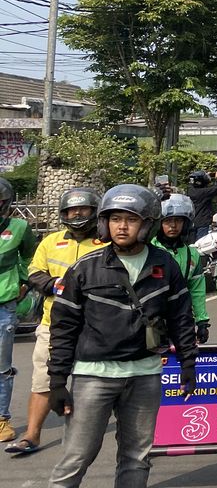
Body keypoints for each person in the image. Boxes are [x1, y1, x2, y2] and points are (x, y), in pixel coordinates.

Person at [46, 184, 198, 488]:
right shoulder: (86, 268)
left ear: (147, 224)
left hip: (144, 375)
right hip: (93, 376)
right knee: (77, 457)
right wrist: (57, 381)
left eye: (131, 219)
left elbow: (181, 317)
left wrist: (188, 365)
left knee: (136, 458)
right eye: (115, 219)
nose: (122, 226)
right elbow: (63, 327)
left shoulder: (164, 264)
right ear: (105, 222)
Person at [7, 187, 105, 457]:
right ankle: (31, 435)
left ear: (94, 212)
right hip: (54, 323)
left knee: (95, 383)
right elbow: (34, 273)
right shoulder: (50, 242)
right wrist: (55, 285)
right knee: (43, 380)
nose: (77, 214)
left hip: (98, 326)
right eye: (71, 210)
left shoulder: (106, 242)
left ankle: (85, 441)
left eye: (83, 210)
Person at [0, 178, 37, 443]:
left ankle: (1, 419)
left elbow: (30, 256)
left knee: (1, 368)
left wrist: (24, 281)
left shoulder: (20, 227)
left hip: (4, 304)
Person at [154, 194, 210, 345]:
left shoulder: (193, 254)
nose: (173, 226)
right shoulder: (148, 249)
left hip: (181, 319)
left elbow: (197, 290)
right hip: (152, 320)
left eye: (178, 220)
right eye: (168, 221)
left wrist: (202, 321)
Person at [185, 170, 217, 242]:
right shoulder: (204, 192)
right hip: (202, 223)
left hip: (191, 222)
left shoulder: (190, 190)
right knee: (201, 245)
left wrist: (203, 175)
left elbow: (192, 182)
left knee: (191, 245)